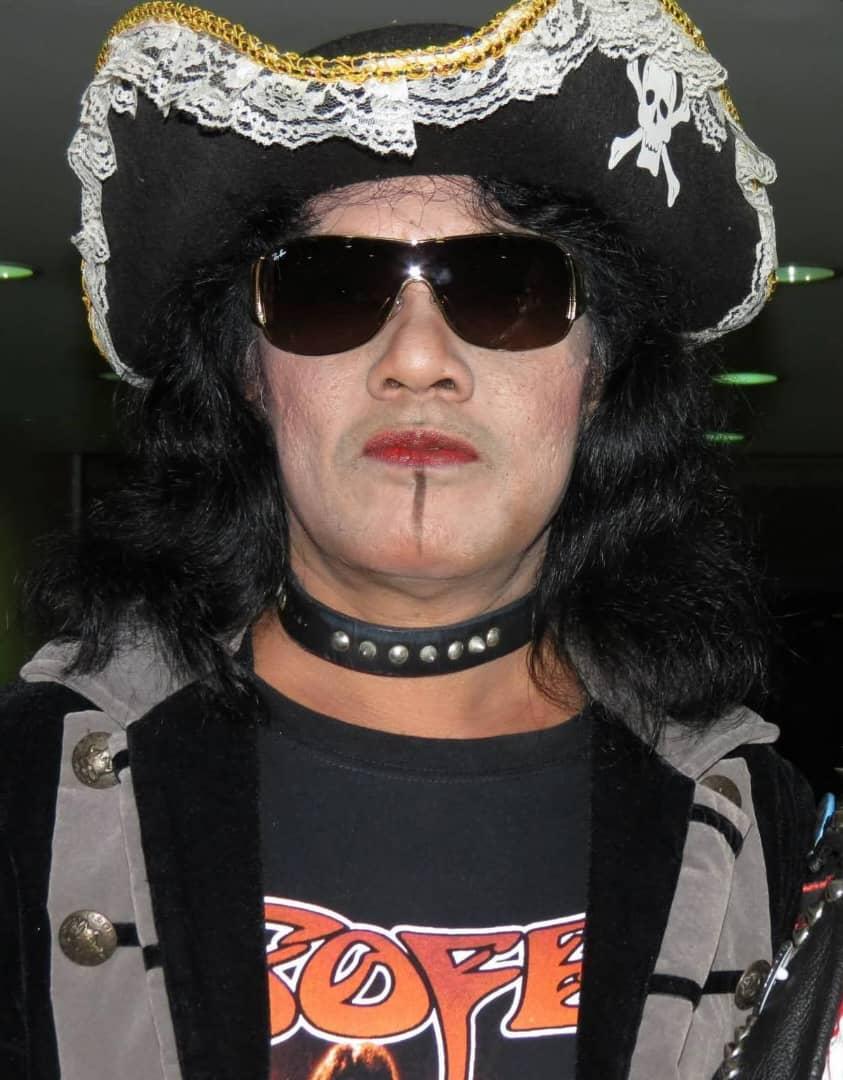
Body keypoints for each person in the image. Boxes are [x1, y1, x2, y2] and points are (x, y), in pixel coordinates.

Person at [0, 1, 817, 1078]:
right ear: (251, 376)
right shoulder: (28, 798)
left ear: (597, 374)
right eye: (330, 292)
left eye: (509, 289)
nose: (417, 360)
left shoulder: (764, 836)